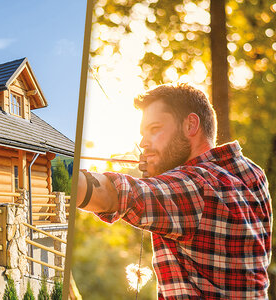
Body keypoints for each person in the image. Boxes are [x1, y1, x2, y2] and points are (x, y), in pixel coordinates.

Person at [77, 84, 272, 299]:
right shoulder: (251, 175)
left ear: (190, 125)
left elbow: (113, 194)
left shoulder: (198, 188)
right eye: (143, 134)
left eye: (154, 129)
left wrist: (69, 174)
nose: (143, 143)